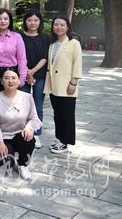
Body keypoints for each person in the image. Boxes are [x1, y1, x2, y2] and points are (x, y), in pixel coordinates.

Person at [0, 68, 41, 179]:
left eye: (14, 78)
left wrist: (29, 127)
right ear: (1, 81)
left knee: (29, 138)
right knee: (5, 167)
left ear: (19, 81)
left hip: (20, 135)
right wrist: (0, 143)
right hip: (3, 138)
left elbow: (34, 118)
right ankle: (5, 155)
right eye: (6, 78)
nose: (10, 81)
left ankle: (23, 165)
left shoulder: (27, 97)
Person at [45, 16, 82, 154]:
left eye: (62, 25)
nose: (59, 27)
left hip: (67, 86)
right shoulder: (52, 43)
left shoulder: (73, 43)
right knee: (57, 114)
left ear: (67, 27)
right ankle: (59, 138)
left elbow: (77, 63)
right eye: (56, 24)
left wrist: (74, 82)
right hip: (54, 86)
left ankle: (65, 142)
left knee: (67, 114)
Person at [20, 10, 49, 149]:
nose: (32, 23)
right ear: (25, 21)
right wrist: (26, 72)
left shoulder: (45, 37)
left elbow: (45, 57)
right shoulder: (19, 36)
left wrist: (32, 71)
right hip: (22, 74)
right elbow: (18, 55)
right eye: (30, 20)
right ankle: (25, 132)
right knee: (24, 105)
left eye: (35, 20)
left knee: (38, 105)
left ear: (39, 22)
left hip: (40, 75)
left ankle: (36, 134)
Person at [0, 8, 28, 90]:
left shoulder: (17, 37)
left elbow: (22, 59)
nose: (3, 21)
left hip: (13, 73)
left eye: (5, 19)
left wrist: (22, 78)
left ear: (10, 20)